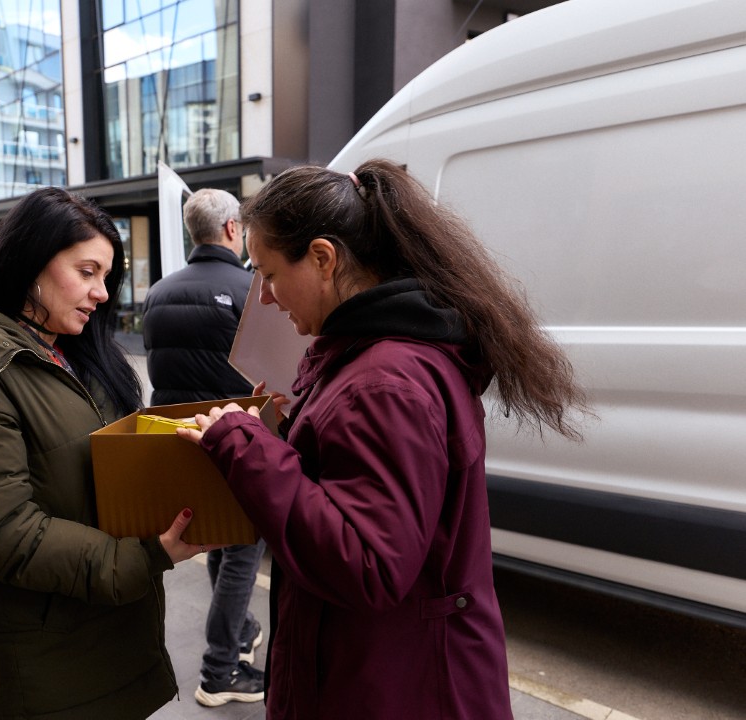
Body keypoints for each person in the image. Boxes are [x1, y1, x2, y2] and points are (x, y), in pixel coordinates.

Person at [176, 160, 590, 719]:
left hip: (395, 686)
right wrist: (287, 435)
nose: (266, 297)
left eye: (269, 274)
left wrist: (247, 447)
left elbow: (369, 563)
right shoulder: (384, 360)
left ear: (322, 258)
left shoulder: (383, 382)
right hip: (395, 674)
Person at [0, 187, 212, 719]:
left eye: (107, 276)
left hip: (110, 627)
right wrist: (143, 557)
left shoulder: (67, 348)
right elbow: (2, 532)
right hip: (47, 656)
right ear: (31, 261)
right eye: (87, 271)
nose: (101, 293)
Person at [141, 188, 267, 707]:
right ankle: (219, 671)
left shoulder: (158, 293)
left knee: (216, 540)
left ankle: (241, 630)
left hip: (180, 444)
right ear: (233, 229)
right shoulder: (251, 289)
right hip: (235, 439)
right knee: (242, 552)